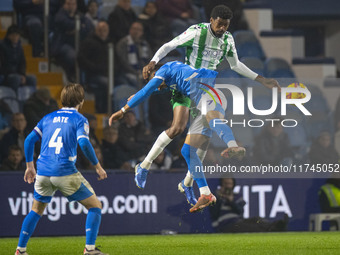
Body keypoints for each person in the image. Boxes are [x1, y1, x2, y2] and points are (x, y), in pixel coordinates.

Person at [138, 5, 280, 206]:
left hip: (205, 90)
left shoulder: (228, 38)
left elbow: (236, 64)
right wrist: (154, 61)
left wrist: (261, 79)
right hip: (186, 84)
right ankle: (144, 165)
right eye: (220, 24)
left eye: (226, 25)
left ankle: (188, 182)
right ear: (211, 20)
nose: (222, 28)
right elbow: (170, 45)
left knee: (201, 142)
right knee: (177, 128)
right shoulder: (197, 32)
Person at [108, 61, 247, 212]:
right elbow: (150, 90)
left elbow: (147, 89)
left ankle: (227, 151)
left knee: (207, 133)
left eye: (152, 78)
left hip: (205, 93)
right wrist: (143, 91)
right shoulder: (171, 78)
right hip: (192, 95)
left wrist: (122, 111)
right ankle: (188, 184)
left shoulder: (165, 70)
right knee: (185, 144)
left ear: (156, 71)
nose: (153, 83)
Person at [14, 83, 108, 255]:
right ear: (81, 100)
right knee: (95, 206)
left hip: (42, 172)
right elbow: (84, 143)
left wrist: (30, 167)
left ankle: (20, 250)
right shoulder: (80, 119)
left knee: (36, 211)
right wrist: (97, 166)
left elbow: (28, 140)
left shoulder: (48, 117)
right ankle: (89, 249)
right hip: (64, 171)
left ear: (62, 99)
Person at [210, 178, 288, 232]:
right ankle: (273, 230)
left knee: (257, 220)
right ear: (221, 184)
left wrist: (231, 201)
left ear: (233, 185)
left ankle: (276, 225)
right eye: (225, 184)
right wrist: (220, 198)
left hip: (238, 222)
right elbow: (214, 214)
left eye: (229, 184)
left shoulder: (237, 196)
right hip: (225, 225)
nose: (227, 186)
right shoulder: (215, 197)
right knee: (252, 227)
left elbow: (240, 211)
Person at [51, 0, 93, 82]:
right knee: (73, 56)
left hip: (77, 44)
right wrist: (80, 26)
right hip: (62, 44)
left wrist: (77, 29)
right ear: (64, 5)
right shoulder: (59, 15)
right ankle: (71, 74)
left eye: (73, 4)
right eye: (68, 4)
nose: (71, 6)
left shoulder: (80, 15)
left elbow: (89, 25)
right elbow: (66, 23)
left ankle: (86, 81)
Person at [78, 21, 110, 113]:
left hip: (109, 74)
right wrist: (95, 68)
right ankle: (104, 111)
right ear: (96, 30)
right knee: (106, 84)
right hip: (93, 75)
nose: (102, 32)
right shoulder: (89, 42)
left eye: (105, 30)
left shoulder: (110, 43)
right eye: (100, 30)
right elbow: (81, 59)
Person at [0, 25, 37, 91]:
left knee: (32, 78)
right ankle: (14, 99)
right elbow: (3, 65)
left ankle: (32, 99)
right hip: (6, 75)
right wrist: (18, 75)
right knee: (16, 79)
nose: (15, 37)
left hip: (18, 74)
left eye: (17, 35)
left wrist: (22, 74)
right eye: (13, 35)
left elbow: (22, 63)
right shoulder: (2, 46)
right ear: (8, 35)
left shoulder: (19, 47)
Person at [115, 21, 151, 88]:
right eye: (134, 29)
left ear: (142, 32)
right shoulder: (123, 43)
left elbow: (150, 60)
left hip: (143, 72)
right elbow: (123, 62)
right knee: (137, 82)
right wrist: (136, 73)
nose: (136, 31)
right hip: (127, 73)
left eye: (139, 30)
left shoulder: (144, 44)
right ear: (130, 30)